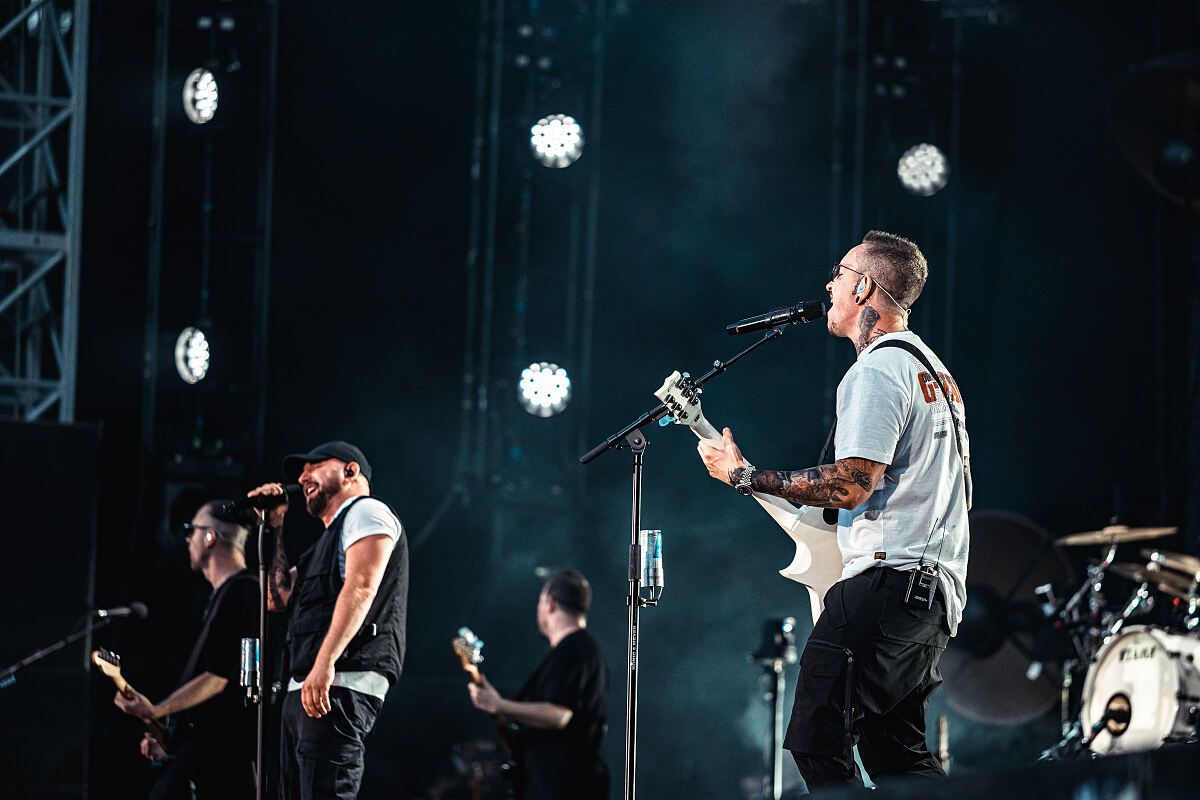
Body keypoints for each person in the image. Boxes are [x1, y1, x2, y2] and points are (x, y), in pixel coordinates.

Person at [697, 230, 970, 790]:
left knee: (815, 734)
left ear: (865, 287)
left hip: (888, 585)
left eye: (840, 274)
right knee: (900, 761)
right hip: (929, 597)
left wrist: (745, 475)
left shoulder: (876, 369)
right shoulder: (932, 372)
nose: (829, 285)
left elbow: (852, 484)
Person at [249, 440, 408, 800]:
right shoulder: (321, 546)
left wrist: (325, 664)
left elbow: (361, 587)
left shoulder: (367, 512)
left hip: (338, 681)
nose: (303, 475)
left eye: (314, 465)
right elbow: (275, 598)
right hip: (304, 686)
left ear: (351, 471)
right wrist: (273, 526)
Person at [113, 500, 261, 800]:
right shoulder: (225, 595)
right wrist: (169, 740)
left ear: (209, 537)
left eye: (190, 530)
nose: (187, 539)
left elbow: (218, 679)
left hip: (228, 761)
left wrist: (157, 709)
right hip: (209, 753)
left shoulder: (243, 590)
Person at [466, 569, 609, 800]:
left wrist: (500, 705)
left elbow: (560, 714)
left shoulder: (574, 650)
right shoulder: (580, 651)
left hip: (563, 788)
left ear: (549, 603)